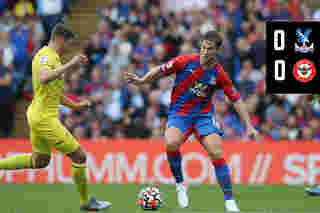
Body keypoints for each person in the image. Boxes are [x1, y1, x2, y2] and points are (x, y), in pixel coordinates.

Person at [125, 30, 259, 212]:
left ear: (217, 51)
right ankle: (181, 185)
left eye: (209, 48)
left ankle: (229, 201)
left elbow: (236, 99)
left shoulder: (219, 74)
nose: (204, 51)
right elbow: (160, 70)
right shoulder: (185, 61)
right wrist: (142, 80)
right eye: (203, 47)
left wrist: (249, 126)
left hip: (203, 116)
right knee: (171, 143)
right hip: (179, 114)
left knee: (217, 153)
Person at [0, 23, 111, 211]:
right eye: (68, 41)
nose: (69, 46)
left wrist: (75, 105)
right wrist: (71, 64)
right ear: (60, 39)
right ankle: (86, 203)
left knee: (40, 160)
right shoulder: (45, 56)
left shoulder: (55, 59)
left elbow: (53, 93)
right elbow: (44, 78)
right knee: (79, 156)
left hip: (39, 115)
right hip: (44, 118)